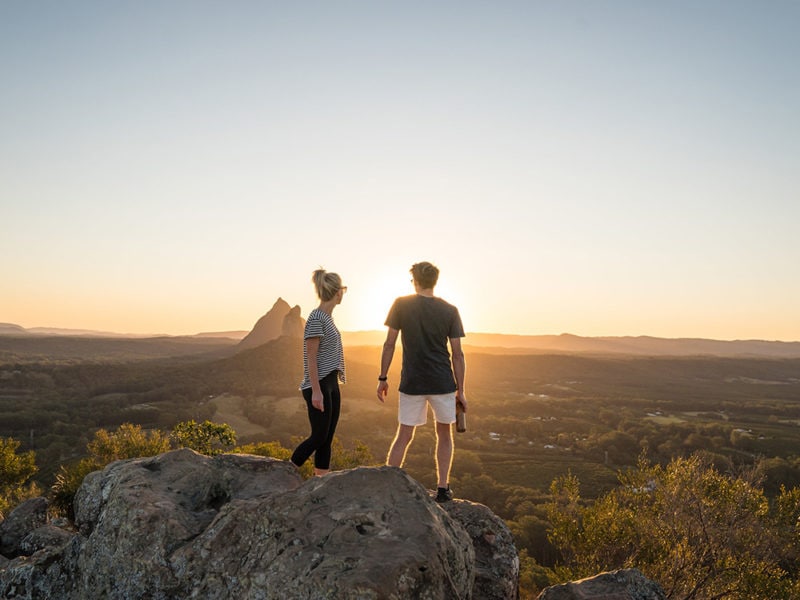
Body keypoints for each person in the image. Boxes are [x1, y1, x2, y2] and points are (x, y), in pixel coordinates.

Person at [376, 261, 466, 502]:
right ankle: (443, 489)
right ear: (435, 281)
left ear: (414, 281)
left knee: (404, 435)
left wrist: (383, 378)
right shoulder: (450, 310)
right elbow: (457, 354)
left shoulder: (401, 305)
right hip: (443, 382)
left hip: (412, 382)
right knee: (444, 434)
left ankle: (388, 485)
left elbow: (389, 344)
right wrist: (462, 391)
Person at [291, 269, 347, 476]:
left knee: (327, 437)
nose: (343, 294)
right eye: (343, 289)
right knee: (318, 436)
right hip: (319, 384)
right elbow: (310, 357)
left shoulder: (327, 318)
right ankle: (285, 471)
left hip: (331, 383)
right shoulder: (316, 318)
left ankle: (321, 481)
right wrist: (316, 391)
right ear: (337, 292)